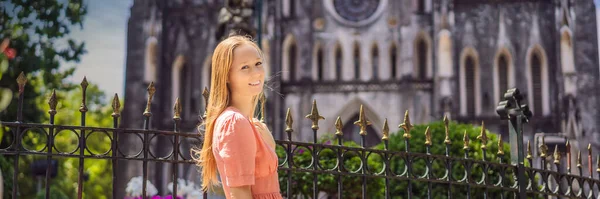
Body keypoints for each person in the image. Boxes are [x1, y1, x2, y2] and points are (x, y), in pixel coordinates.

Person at [196, 35, 281, 199]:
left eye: (258, 64)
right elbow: (240, 194)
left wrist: (270, 145)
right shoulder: (234, 122)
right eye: (244, 67)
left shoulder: (248, 123)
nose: (256, 73)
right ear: (227, 76)